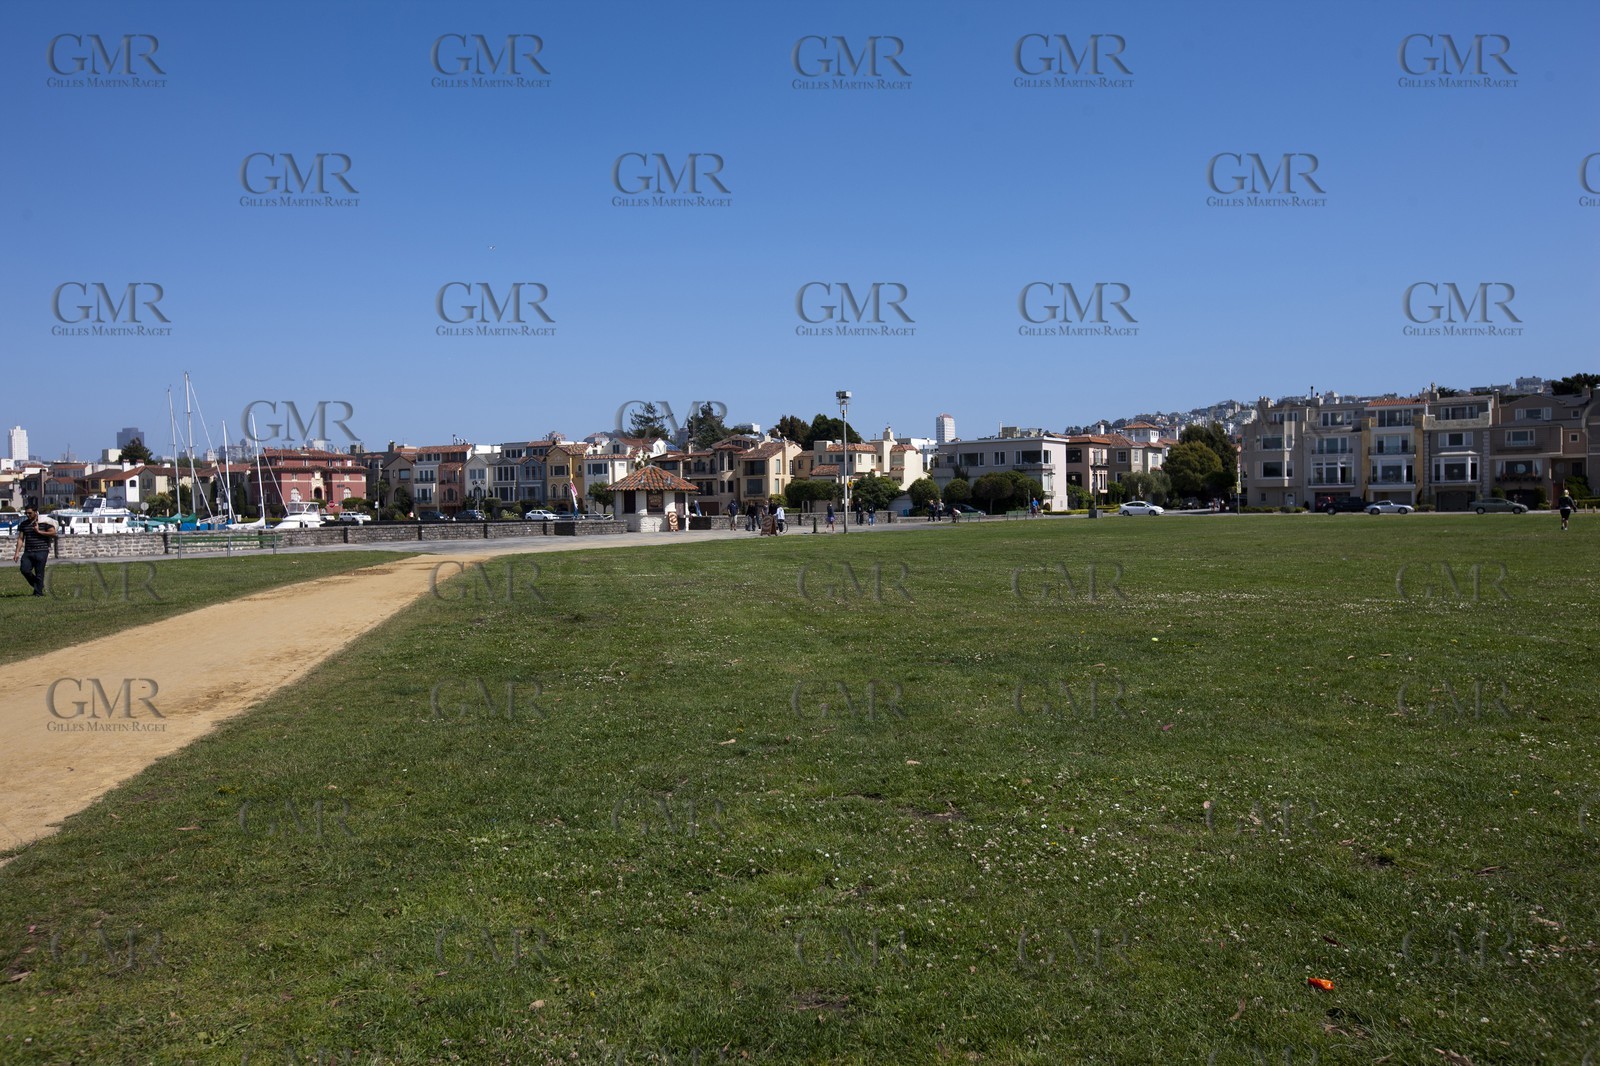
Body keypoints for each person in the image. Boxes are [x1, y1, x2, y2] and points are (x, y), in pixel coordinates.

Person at [13, 505, 56, 597]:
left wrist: (39, 532)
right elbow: (20, 539)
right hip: (28, 551)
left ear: (35, 512)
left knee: (39, 572)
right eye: (26, 513)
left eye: (30, 513)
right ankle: (38, 585)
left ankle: (38, 593)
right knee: (24, 570)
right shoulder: (24, 524)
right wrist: (17, 552)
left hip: (42, 550)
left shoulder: (44, 522)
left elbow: (53, 533)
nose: (28, 515)